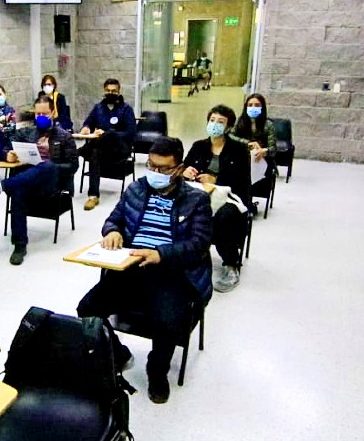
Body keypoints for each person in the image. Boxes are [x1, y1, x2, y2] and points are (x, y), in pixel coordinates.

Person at [77, 137, 212, 404]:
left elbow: (199, 244)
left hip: (171, 270)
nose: (156, 173)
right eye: (151, 166)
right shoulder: (136, 189)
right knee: (87, 310)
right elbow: (113, 218)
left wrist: (162, 254)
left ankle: (157, 370)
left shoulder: (195, 200)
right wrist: (112, 231)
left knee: (167, 321)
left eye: (163, 168)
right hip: (131, 265)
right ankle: (119, 354)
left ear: (178, 168)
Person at [0, 98, 78, 265]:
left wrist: (50, 167)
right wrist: (7, 154)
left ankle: (1, 186)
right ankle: (19, 245)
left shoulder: (64, 136)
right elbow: (6, 147)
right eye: (38, 113)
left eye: (44, 114)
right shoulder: (26, 133)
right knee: (19, 191)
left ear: (53, 113)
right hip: (30, 182)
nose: (40, 117)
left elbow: (73, 166)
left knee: (48, 166)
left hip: (53, 184)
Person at [182, 105, 251, 293]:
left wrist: (217, 180)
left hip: (228, 197)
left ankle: (230, 264)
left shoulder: (239, 149)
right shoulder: (198, 146)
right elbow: (182, 169)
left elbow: (243, 184)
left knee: (224, 217)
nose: (215, 125)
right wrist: (184, 171)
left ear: (228, 127)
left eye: (220, 122)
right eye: (212, 120)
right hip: (199, 194)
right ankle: (184, 254)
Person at [79, 78, 137, 210]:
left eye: (114, 91)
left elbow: (131, 133)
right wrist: (86, 128)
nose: (110, 93)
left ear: (119, 91)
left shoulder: (126, 109)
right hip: (101, 151)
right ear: (104, 91)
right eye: (108, 91)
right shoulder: (98, 108)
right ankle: (93, 196)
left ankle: (83, 150)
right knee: (94, 152)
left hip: (119, 150)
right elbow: (88, 122)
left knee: (109, 134)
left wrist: (107, 134)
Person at [231, 93, 277, 201]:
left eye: (257, 105)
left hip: (260, 160)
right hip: (242, 157)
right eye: (250, 105)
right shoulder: (240, 122)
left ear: (262, 107)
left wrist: (264, 151)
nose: (253, 108)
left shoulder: (268, 124)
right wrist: (247, 143)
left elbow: (273, 149)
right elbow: (230, 136)